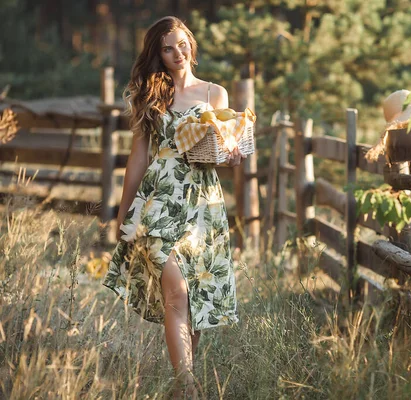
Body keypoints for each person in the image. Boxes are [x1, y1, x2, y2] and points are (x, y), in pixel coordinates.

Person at [102, 16, 243, 399]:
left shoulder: (215, 94)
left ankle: (181, 387)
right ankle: (189, 387)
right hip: (159, 199)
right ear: (158, 54)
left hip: (202, 204)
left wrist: (231, 155)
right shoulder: (152, 97)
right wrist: (122, 214)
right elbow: (137, 158)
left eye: (182, 44)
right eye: (167, 48)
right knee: (177, 293)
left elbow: (225, 145)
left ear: (191, 46)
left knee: (192, 298)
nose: (177, 53)